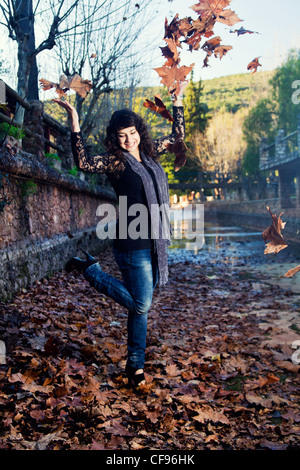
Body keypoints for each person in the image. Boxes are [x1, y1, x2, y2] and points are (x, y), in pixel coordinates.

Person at [53, 83, 186, 388]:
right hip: (131, 242)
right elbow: (84, 163)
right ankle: (93, 272)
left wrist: (177, 102)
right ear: (115, 137)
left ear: (139, 130)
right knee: (141, 305)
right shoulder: (115, 162)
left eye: (133, 133)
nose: (129, 140)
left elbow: (178, 138)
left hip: (153, 241)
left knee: (139, 307)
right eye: (122, 135)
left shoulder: (151, 156)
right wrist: (74, 121)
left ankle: (135, 367)